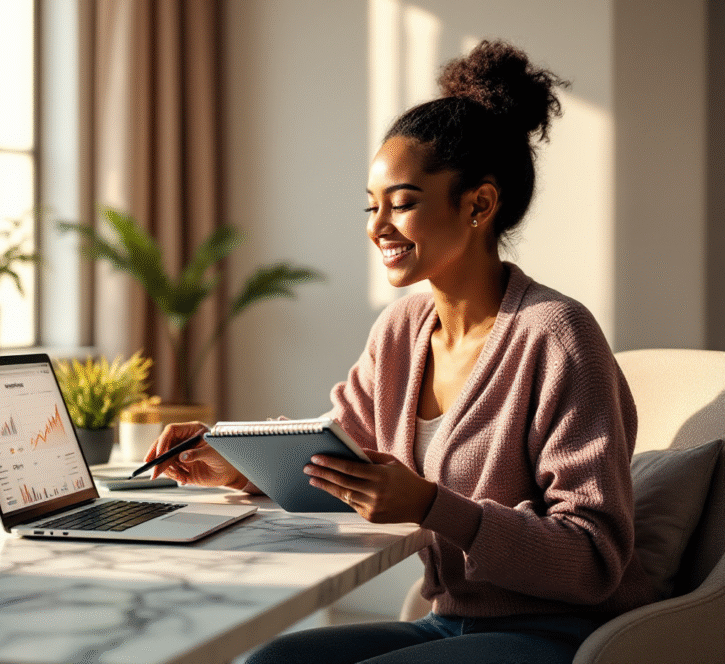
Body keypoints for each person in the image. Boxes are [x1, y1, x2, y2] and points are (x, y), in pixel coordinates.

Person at [144, 39, 657, 664]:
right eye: (371, 206)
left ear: (479, 204)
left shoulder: (558, 336)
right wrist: (232, 456)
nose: (376, 226)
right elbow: (338, 447)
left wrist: (430, 505)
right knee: (269, 661)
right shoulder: (403, 328)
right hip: (447, 623)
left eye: (403, 204)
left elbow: (591, 557)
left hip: (553, 634)